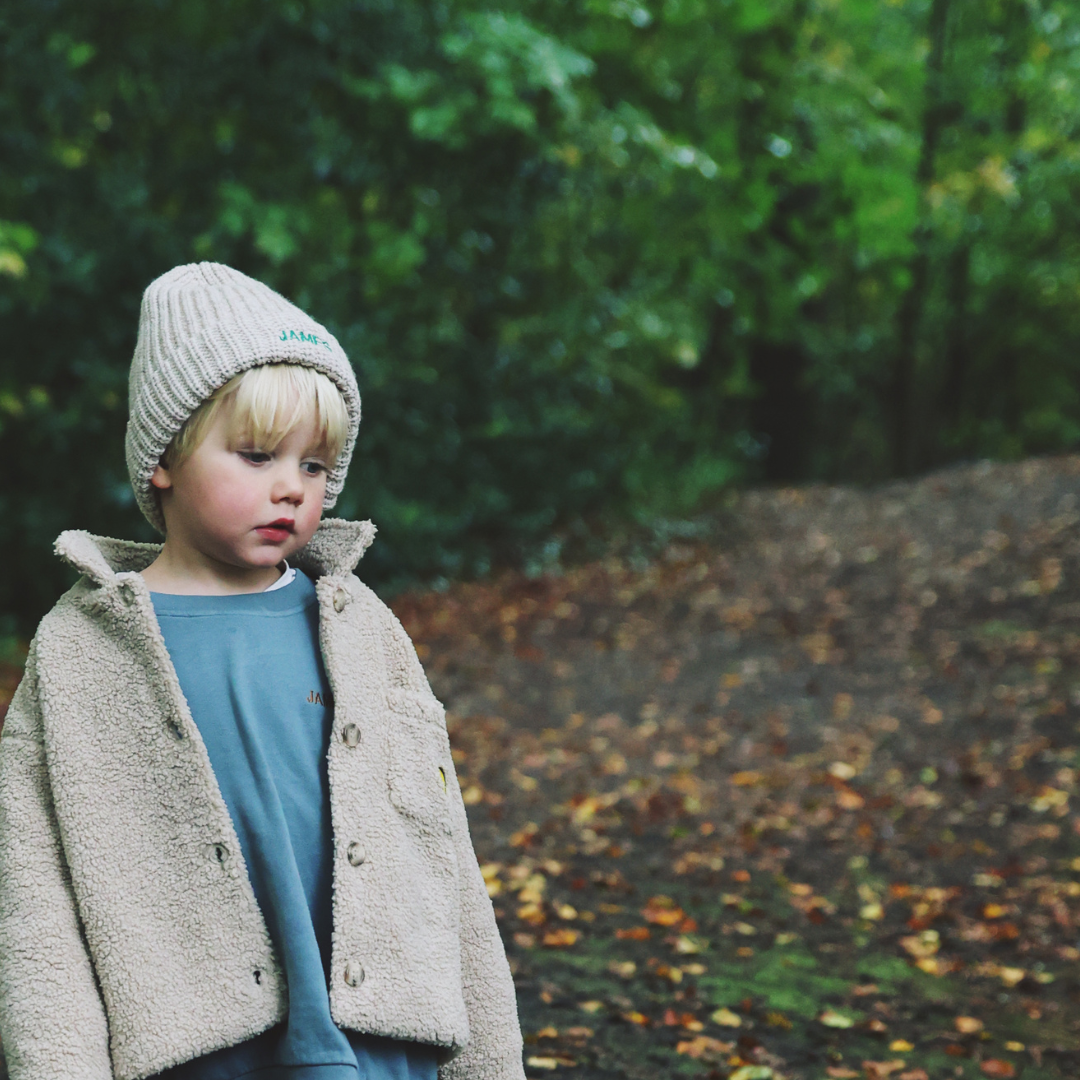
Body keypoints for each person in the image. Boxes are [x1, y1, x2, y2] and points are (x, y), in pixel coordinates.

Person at [0, 263, 525, 1080]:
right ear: (163, 459)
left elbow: (439, 849)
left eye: (315, 466)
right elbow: (34, 890)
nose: (291, 487)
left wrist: (489, 1060)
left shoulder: (361, 628)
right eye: (255, 455)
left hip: (379, 1046)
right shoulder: (83, 650)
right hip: (197, 1053)